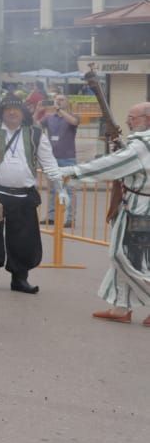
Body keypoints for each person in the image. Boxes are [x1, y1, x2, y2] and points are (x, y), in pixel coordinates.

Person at [59, 103, 150, 324]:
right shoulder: (140, 143)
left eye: (133, 117)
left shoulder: (142, 145)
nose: (128, 121)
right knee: (133, 257)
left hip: (140, 207)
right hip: (136, 205)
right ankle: (121, 308)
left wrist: (72, 172)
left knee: (121, 255)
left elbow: (113, 166)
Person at [0, 95, 61, 294]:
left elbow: (49, 161)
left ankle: (20, 279)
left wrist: (60, 184)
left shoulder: (36, 134)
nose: (12, 112)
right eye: (8, 109)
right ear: (2, 112)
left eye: (16, 109)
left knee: (24, 240)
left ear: (24, 113)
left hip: (23, 196)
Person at [39, 94, 79, 228]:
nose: (58, 101)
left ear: (67, 102)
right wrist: (37, 111)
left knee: (69, 189)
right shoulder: (50, 118)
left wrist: (60, 110)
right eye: (56, 99)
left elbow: (74, 122)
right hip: (52, 159)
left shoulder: (72, 116)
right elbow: (34, 125)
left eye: (61, 99)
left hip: (68, 159)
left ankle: (70, 218)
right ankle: (51, 217)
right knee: (52, 189)